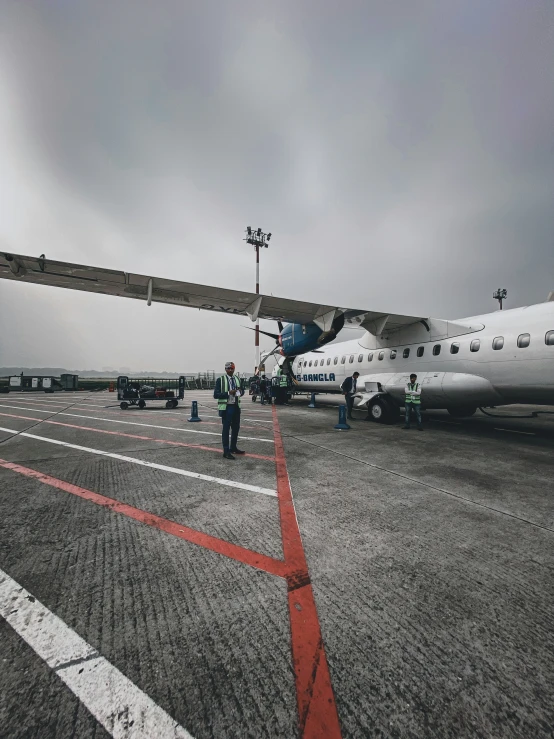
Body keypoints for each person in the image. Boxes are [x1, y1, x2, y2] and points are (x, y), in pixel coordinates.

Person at [214, 362, 245, 459]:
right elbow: (216, 395)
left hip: (236, 406)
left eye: (232, 368)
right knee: (226, 429)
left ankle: (233, 447)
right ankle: (226, 451)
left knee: (236, 428)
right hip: (226, 407)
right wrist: (228, 393)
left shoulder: (237, 379)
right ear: (225, 369)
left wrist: (240, 391)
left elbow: (242, 391)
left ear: (234, 369)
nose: (230, 370)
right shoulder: (221, 380)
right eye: (228, 368)